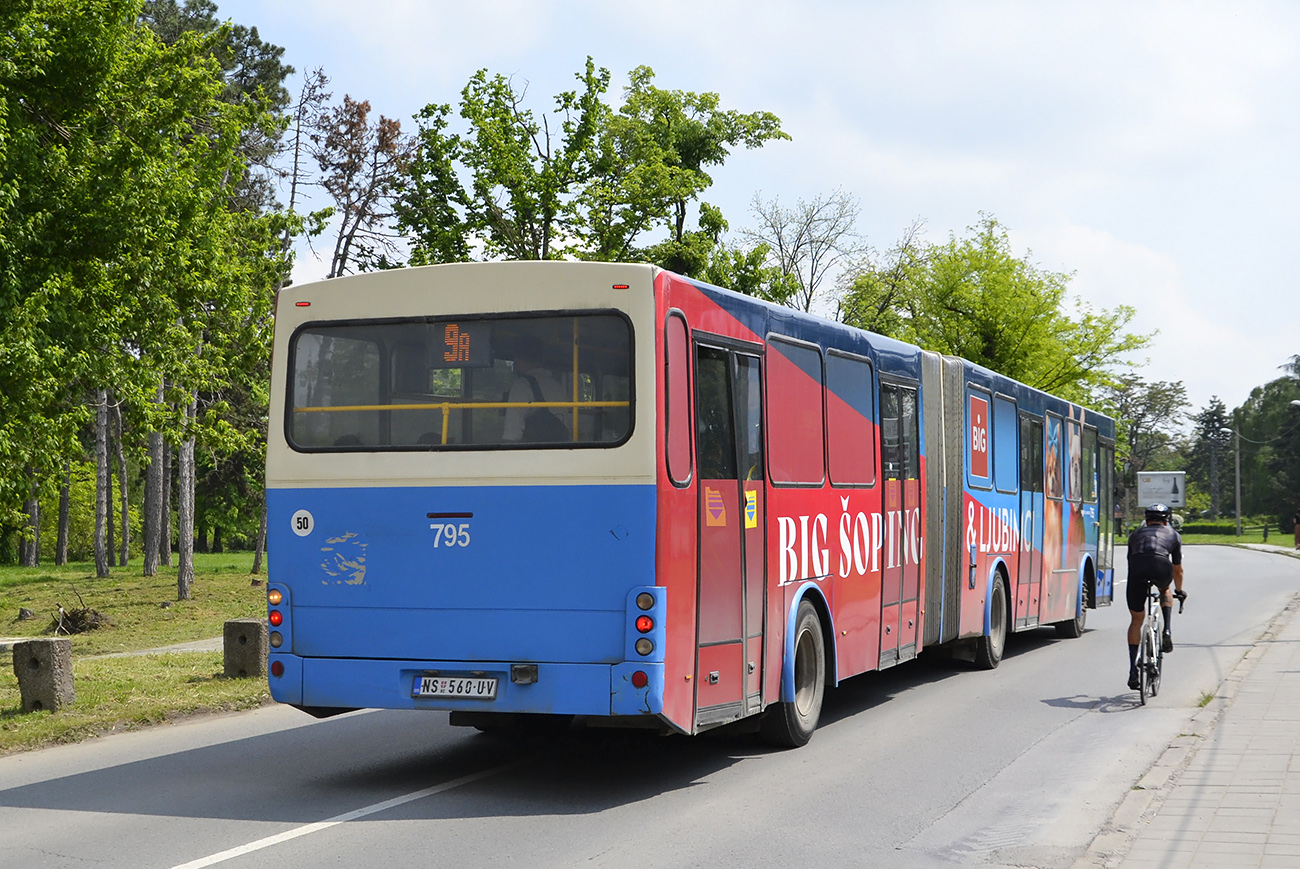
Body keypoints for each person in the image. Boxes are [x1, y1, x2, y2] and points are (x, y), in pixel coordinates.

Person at [1126, 502, 1186, 690]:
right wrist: (1179, 591)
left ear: (1146, 520)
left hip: (1137, 570)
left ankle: (1133, 671)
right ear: (1167, 520)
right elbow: (1177, 569)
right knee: (1165, 590)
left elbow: (1131, 561)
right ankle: (1167, 629)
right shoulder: (1174, 535)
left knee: (1136, 620)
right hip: (1161, 566)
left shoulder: (1134, 535)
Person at [502, 337, 571, 443]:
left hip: (531, 453)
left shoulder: (522, 385)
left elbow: (512, 433)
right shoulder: (558, 386)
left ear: (518, 359)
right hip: (558, 451)